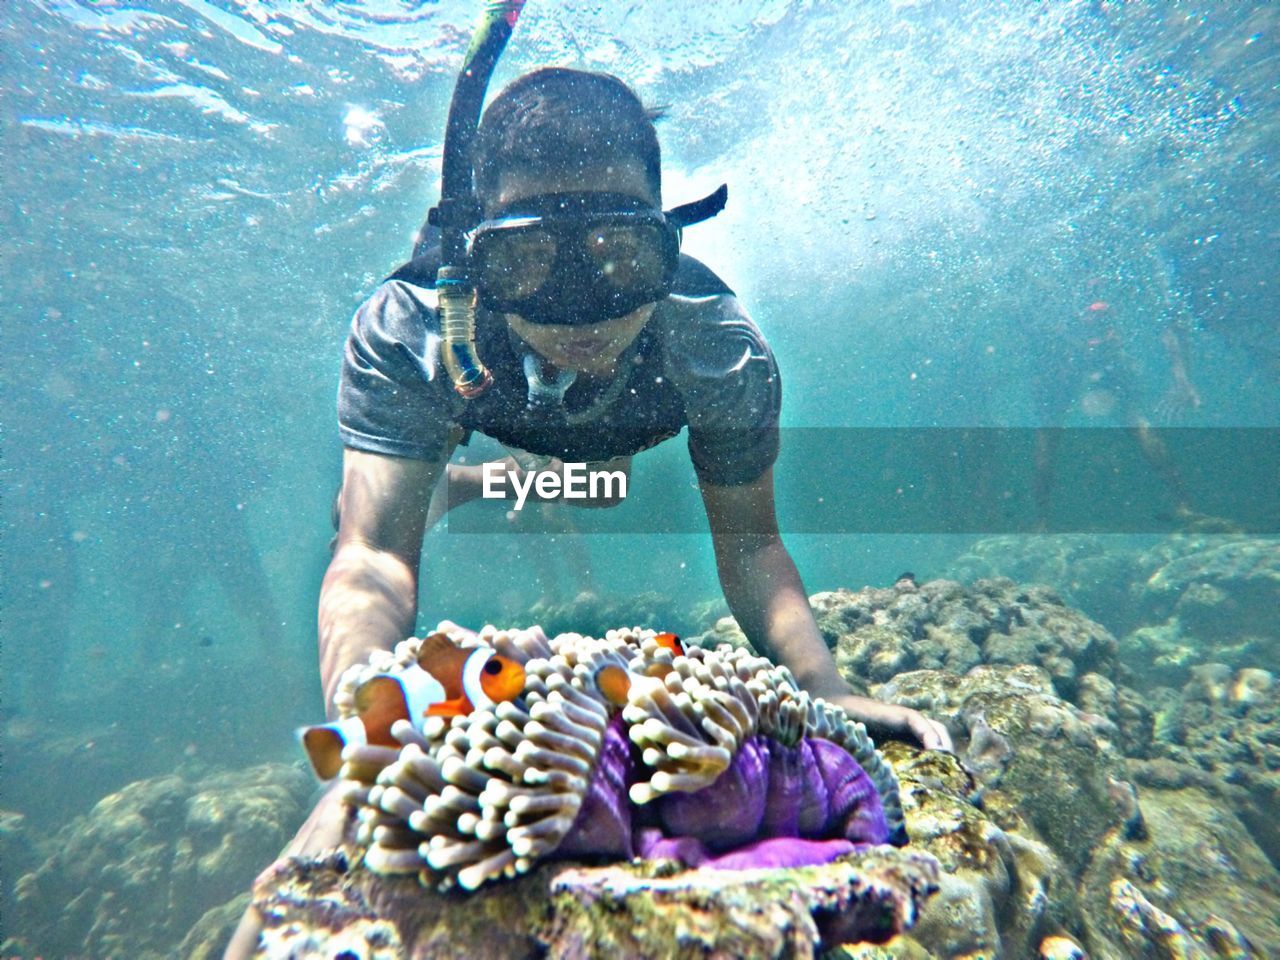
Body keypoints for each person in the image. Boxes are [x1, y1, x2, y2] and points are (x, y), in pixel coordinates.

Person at [224, 66, 948, 959]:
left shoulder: (716, 346)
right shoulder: (411, 331)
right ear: (472, 260)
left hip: (620, 426)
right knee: (370, 509)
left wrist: (827, 691)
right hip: (490, 409)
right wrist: (368, 753)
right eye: (528, 259)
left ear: (667, 240)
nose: (582, 311)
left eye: (618, 253)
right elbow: (372, 554)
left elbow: (755, 548)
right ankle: (484, 474)